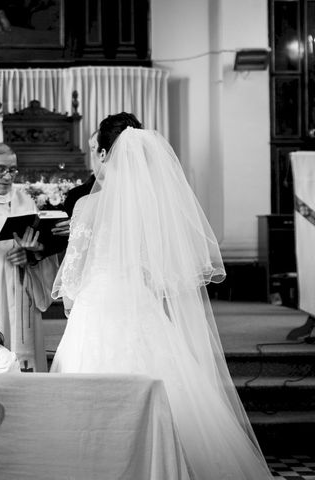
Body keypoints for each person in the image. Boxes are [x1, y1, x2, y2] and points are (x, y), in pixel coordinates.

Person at [50, 118, 274, 479]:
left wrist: (74, 302)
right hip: (140, 303)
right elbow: (164, 272)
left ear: (107, 154)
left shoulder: (87, 208)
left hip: (97, 304)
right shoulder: (155, 208)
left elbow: (72, 278)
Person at [0, 143, 59, 372]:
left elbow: (42, 251)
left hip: (20, 290)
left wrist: (30, 255)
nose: (7, 176)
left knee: (21, 356)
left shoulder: (24, 202)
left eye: (12, 170)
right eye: (1, 169)